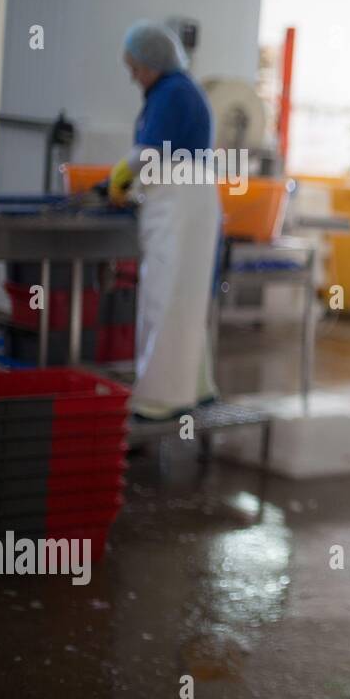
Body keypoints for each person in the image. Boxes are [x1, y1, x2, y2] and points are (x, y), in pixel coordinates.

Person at [107, 21, 220, 420]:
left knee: (166, 298)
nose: (133, 75)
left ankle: (161, 399)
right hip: (186, 203)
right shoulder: (178, 89)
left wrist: (117, 180)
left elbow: (148, 152)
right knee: (183, 298)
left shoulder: (172, 92)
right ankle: (197, 387)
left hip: (179, 207)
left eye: (135, 66)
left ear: (153, 61)